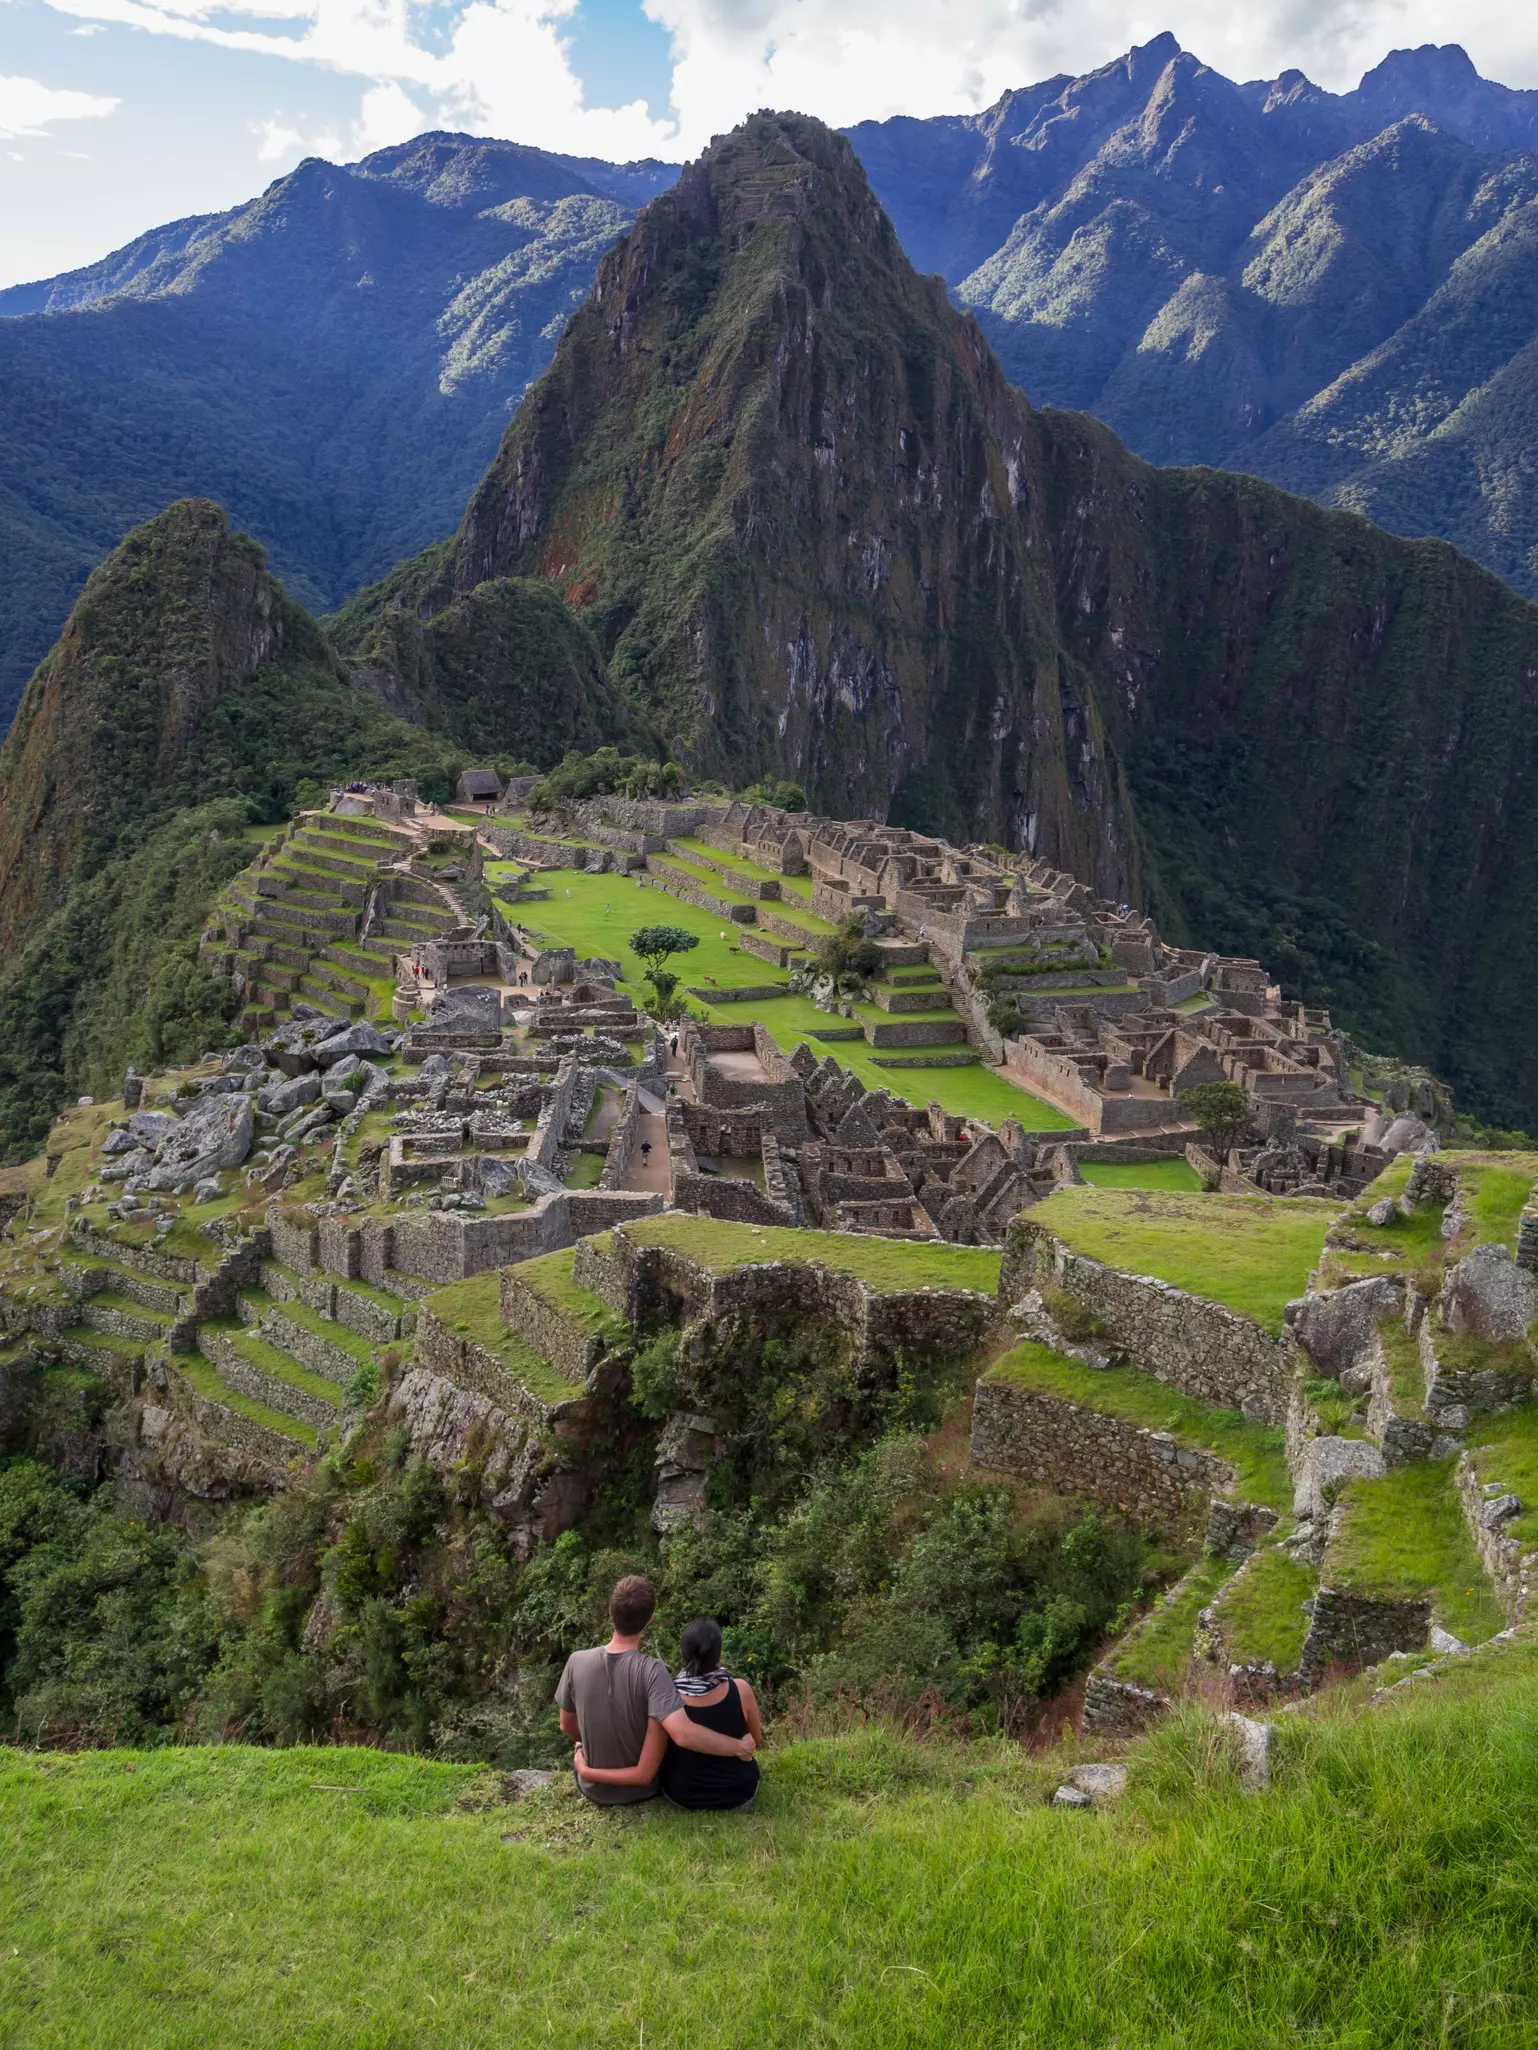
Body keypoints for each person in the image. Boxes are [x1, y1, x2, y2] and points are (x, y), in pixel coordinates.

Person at [555, 1576, 754, 1807]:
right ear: (649, 1620)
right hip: (641, 1790)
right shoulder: (652, 1671)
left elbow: (566, 1726)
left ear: (610, 1613)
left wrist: (587, 1761)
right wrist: (738, 1747)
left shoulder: (576, 1661)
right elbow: (683, 1734)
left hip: (592, 1789)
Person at [658, 1618, 762, 1811]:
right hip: (739, 1792)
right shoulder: (741, 1689)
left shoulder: (667, 1696)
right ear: (719, 1655)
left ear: (681, 1653)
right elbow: (756, 1740)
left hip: (683, 1794)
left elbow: (660, 1749)